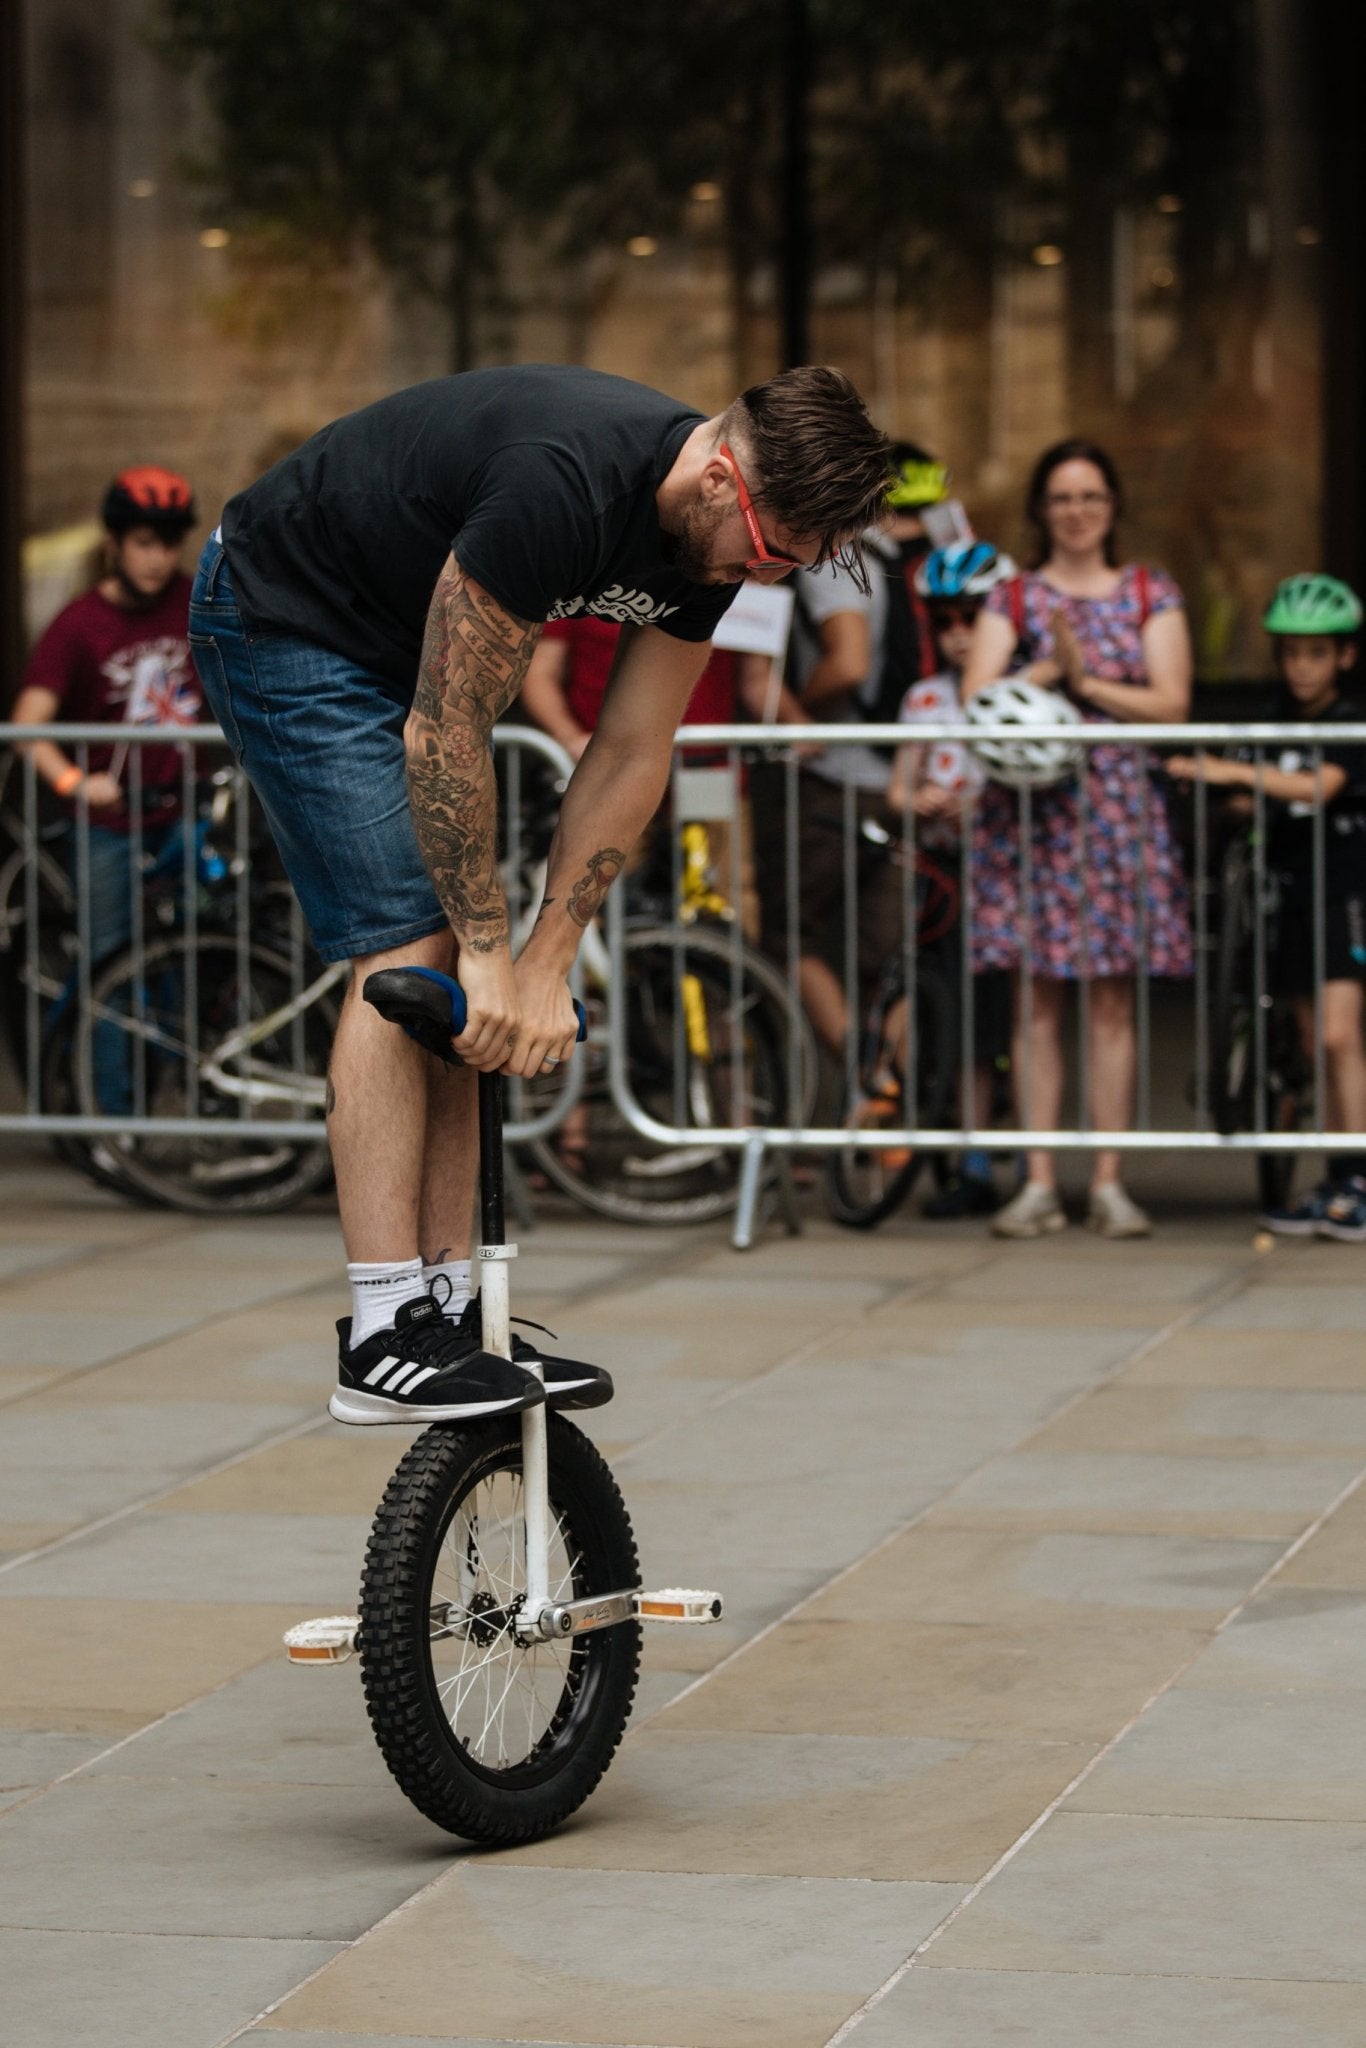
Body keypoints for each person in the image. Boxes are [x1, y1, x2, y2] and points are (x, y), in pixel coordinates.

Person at [188, 363, 891, 1424]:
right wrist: (486, 953)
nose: (763, 575)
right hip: (288, 618)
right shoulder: (559, 484)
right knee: (414, 947)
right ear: (718, 474)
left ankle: (448, 1315)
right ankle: (381, 1331)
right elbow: (446, 728)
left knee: (470, 980)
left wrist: (545, 960)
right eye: (767, 552)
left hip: (405, 638)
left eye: (788, 566)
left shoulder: (712, 541)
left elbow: (634, 747)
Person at [961, 437, 1194, 1240]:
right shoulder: (1014, 598)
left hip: (1118, 815)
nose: (1076, 511)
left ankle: (1108, 1180)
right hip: (1030, 820)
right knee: (1034, 1003)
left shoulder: (1149, 592)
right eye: (1062, 497)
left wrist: (1087, 681)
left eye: (1090, 496)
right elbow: (976, 698)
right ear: (1041, 509)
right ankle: (1036, 1182)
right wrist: (1045, 674)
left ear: (1113, 505)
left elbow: (1172, 705)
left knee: (1111, 1006)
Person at [1168, 573, 1366, 1240]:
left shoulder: (1347, 724)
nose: (1303, 665)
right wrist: (1207, 785)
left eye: (1318, 653)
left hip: (1342, 890)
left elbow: (1320, 786)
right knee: (1311, 1042)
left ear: (1344, 656)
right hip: (1285, 892)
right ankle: (1338, 1178)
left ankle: (1360, 1176)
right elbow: (1248, 800)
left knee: (1341, 1036)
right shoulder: (1268, 723)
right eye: (1292, 652)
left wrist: (1229, 770)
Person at [750, 443, 950, 1057]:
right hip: (903, 774)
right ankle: (890, 1089)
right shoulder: (916, 554)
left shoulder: (835, 556)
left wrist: (801, 714)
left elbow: (849, 663)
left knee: (792, 934)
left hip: (834, 775)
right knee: (889, 954)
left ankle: (866, 1077)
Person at [12, 468, 202, 1106]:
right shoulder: (79, 623)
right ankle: (111, 1117)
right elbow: (28, 725)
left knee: (205, 955)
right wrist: (73, 780)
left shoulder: (196, 601)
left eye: (169, 543)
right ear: (114, 543)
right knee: (109, 967)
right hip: (109, 824)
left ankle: (191, 1101)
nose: (158, 558)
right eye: (144, 542)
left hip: (187, 812)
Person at [888, 539, 1017, 1216]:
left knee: (1008, 1019)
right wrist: (918, 802)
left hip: (1010, 874)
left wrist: (988, 803)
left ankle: (1016, 1147)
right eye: (945, 622)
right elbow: (897, 789)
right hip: (944, 875)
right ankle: (971, 1159)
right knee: (961, 1023)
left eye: (974, 617)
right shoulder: (924, 699)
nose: (960, 633)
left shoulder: (1023, 692)